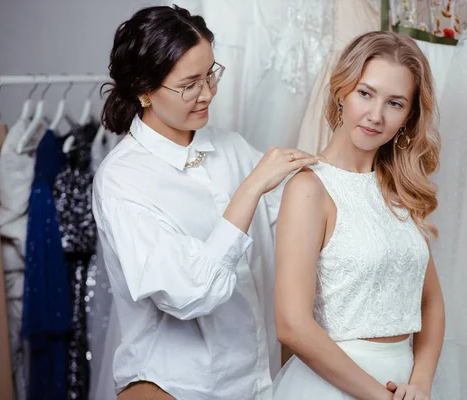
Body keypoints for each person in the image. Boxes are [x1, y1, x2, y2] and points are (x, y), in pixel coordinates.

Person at [92, 5, 317, 399]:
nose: (208, 93)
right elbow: (189, 294)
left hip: (258, 382)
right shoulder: (123, 179)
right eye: (190, 84)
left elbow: (296, 228)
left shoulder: (231, 146)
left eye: (211, 74)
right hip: (174, 388)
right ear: (144, 90)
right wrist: (249, 190)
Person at [273, 31, 445, 400]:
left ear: (408, 117)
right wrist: (380, 397)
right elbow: (291, 325)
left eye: (395, 103)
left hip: (403, 385)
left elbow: (430, 301)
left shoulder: (400, 188)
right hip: (330, 387)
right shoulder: (308, 189)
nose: (375, 115)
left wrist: (421, 384)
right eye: (365, 93)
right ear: (342, 92)